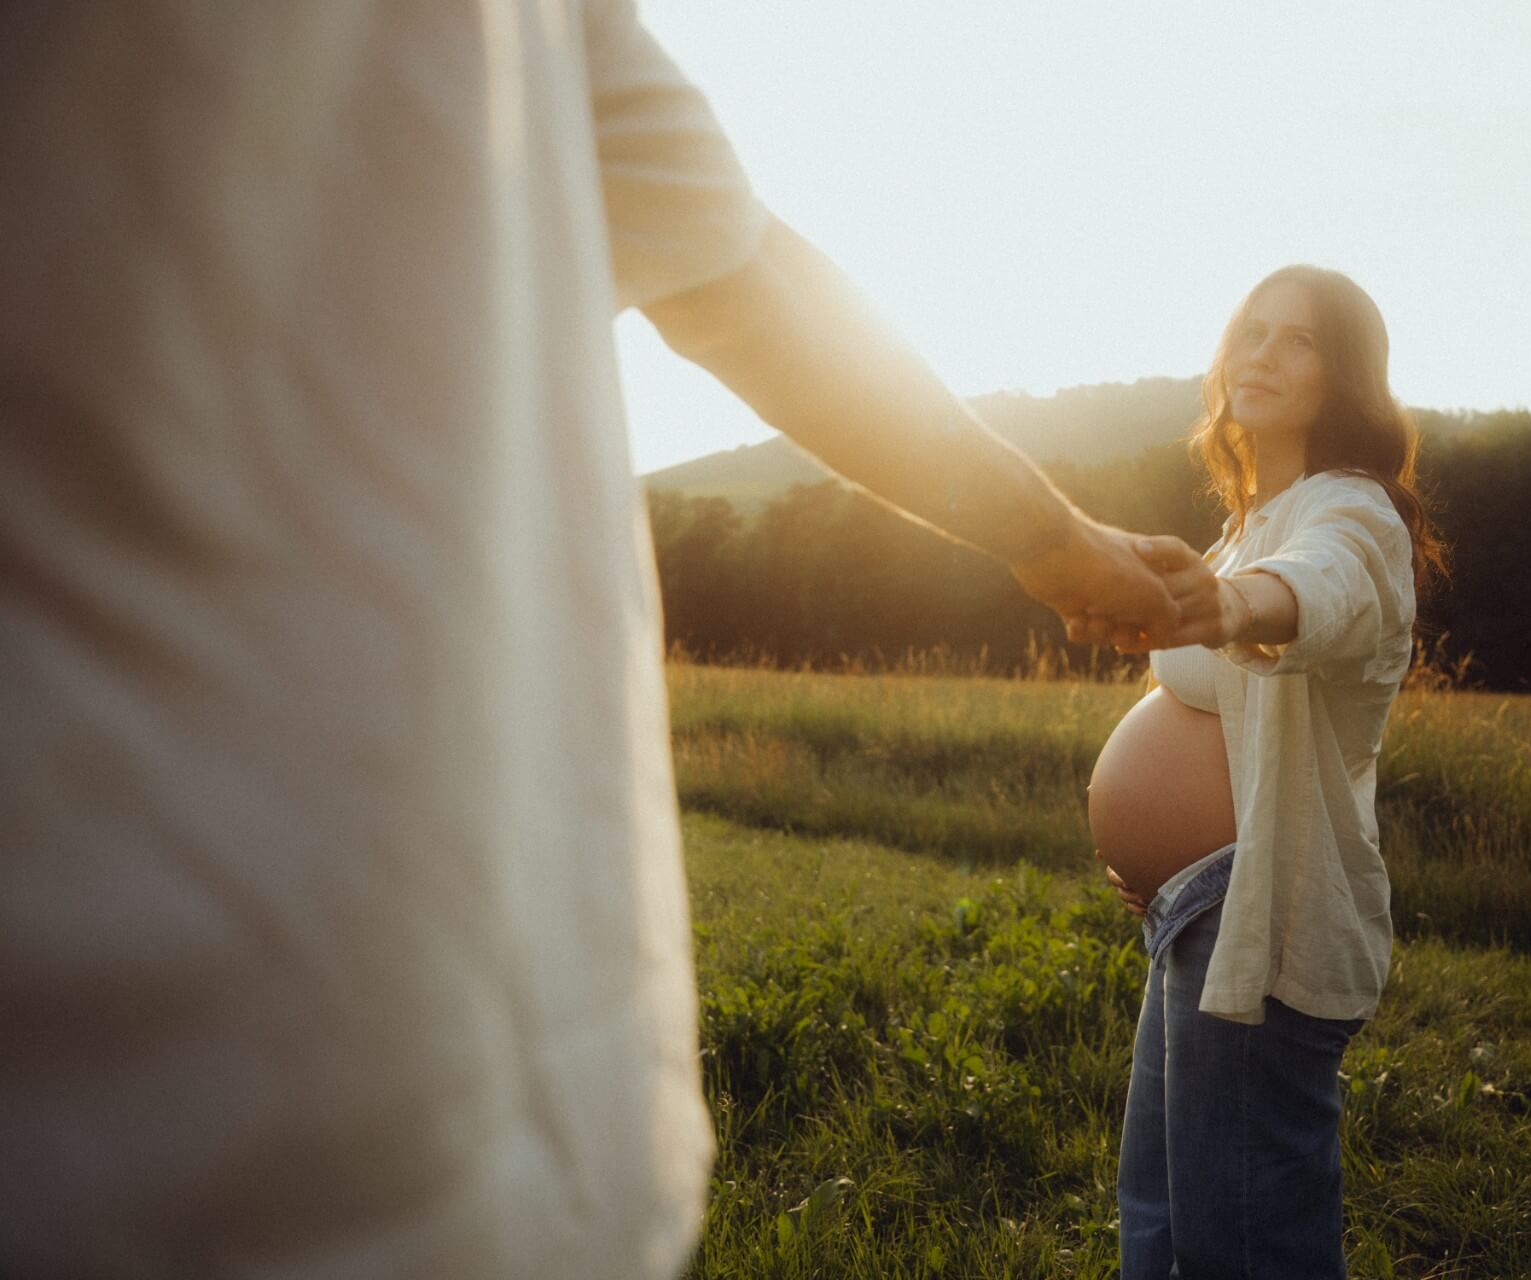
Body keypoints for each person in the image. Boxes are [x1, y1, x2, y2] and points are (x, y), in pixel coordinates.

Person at [0, 5, 1180, 1276]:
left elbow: (744, 280)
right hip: (239, 1099)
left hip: (468, 1105)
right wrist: (1062, 546)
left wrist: (1060, 543)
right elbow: (750, 289)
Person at [1082, 265, 1448, 1277]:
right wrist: (1153, 853)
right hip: (1195, 906)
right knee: (1160, 1220)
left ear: (1346, 378)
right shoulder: (1244, 523)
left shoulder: (1353, 513)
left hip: (1263, 908)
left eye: (1298, 340)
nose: (1262, 353)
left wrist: (1229, 607)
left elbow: (1312, 591)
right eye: (1252, 331)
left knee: (1246, 1243)